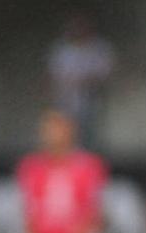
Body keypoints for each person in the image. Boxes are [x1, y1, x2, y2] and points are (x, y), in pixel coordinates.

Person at [47, 13, 114, 150]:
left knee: (89, 137)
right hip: (65, 100)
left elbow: (103, 73)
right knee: (66, 134)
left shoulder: (99, 48)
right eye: (75, 26)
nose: (78, 30)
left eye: (82, 26)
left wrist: (82, 80)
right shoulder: (62, 49)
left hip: (91, 100)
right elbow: (54, 75)